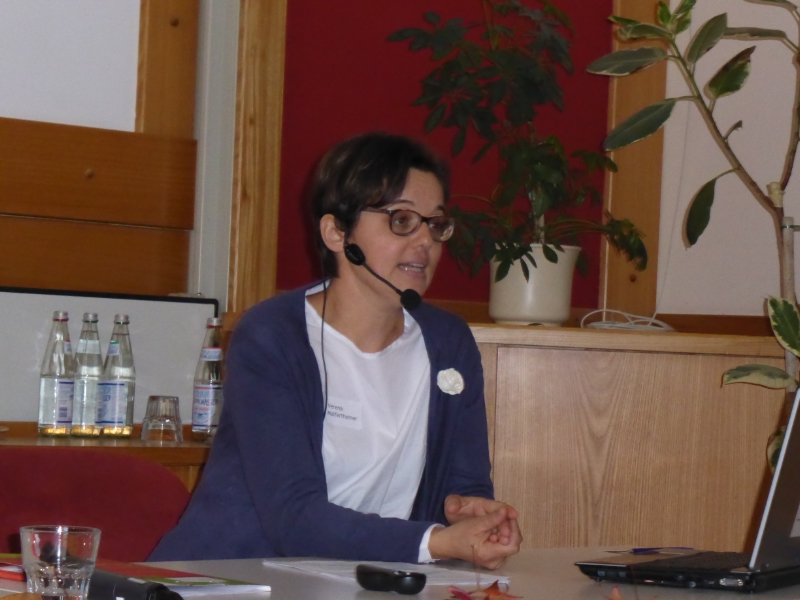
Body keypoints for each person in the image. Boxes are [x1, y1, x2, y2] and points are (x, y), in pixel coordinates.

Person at [150, 133, 522, 568]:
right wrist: (436, 542)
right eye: (402, 219)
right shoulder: (273, 335)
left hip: (363, 581)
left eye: (436, 224)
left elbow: (464, 485)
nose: (425, 240)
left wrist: (473, 516)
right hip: (227, 579)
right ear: (336, 233)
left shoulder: (449, 341)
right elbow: (293, 518)